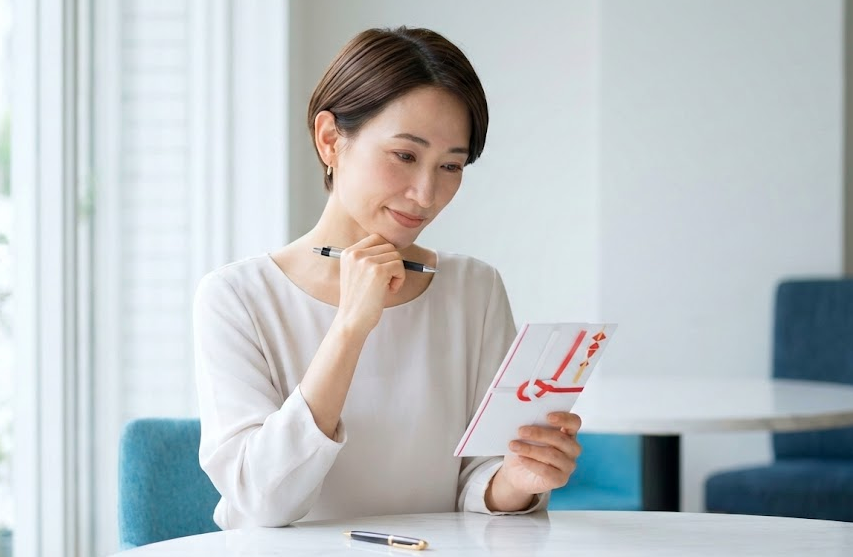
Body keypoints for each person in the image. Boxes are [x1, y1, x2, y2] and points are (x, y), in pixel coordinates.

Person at [193, 26, 582, 529]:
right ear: (330, 139)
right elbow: (262, 501)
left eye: (450, 165)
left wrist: (516, 482)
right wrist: (350, 327)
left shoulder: (474, 290)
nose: (426, 193)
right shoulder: (236, 297)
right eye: (405, 156)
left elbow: (480, 477)